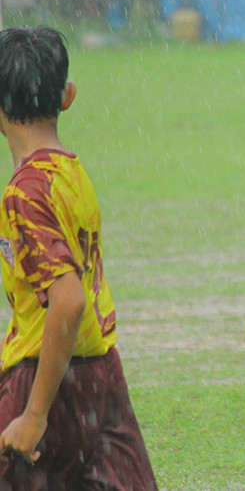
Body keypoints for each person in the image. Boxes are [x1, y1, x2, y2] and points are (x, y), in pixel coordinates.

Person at [0, 26, 158, 489]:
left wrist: (34, 413)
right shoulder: (71, 171)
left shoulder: (24, 192)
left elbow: (67, 300)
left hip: (44, 374)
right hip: (100, 370)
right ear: (67, 96)